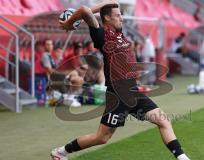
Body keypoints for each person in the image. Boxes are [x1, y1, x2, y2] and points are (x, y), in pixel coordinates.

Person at [51, 1, 190, 160]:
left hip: (132, 92)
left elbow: (113, 2)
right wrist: (71, 22)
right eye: (117, 16)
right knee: (102, 138)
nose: (122, 18)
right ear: (107, 19)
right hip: (118, 94)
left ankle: (182, 158)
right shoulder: (101, 35)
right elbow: (84, 10)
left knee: (164, 121)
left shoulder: (119, 34)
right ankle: (61, 152)